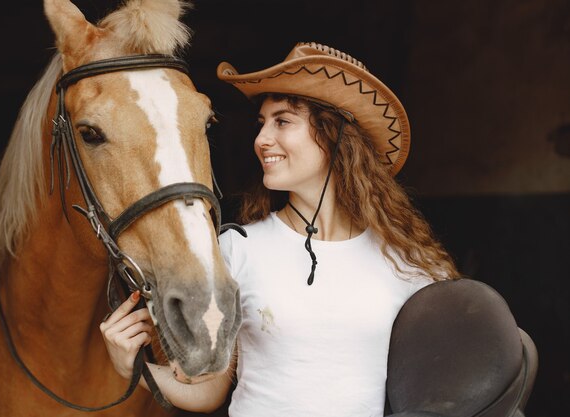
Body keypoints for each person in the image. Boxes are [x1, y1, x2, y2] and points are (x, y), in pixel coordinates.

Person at [100, 41, 460, 417]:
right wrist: (132, 367)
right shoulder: (236, 251)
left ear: (332, 134)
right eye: (262, 123)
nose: (261, 140)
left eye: (283, 121)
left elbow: (445, 386)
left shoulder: (407, 264)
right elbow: (208, 391)